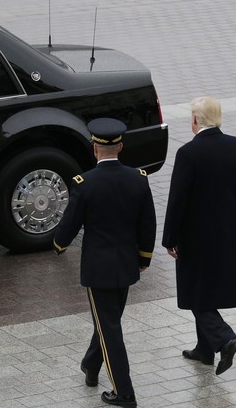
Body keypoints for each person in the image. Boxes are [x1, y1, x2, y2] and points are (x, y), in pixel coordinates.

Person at [53, 118, 156, 408]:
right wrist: (144, 258)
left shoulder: (84, 183)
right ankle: (90, 364)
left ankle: (124, 393)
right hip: (126, 266)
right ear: (120, 147)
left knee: (109, 327)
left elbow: (69, 224)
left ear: (94, 148)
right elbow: (147, 223)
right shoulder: (138, 178)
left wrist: (59, 245)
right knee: (109, 321)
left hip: (98, 269)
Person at [162, 96, 236, 375]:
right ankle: (204, 349)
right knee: (207, 288)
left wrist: (169, 238)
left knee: (195, 292)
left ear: (195, 120)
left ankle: (224, 338)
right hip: (228, 231)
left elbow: (177, 200)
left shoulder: (188, 153)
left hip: (196, 236)